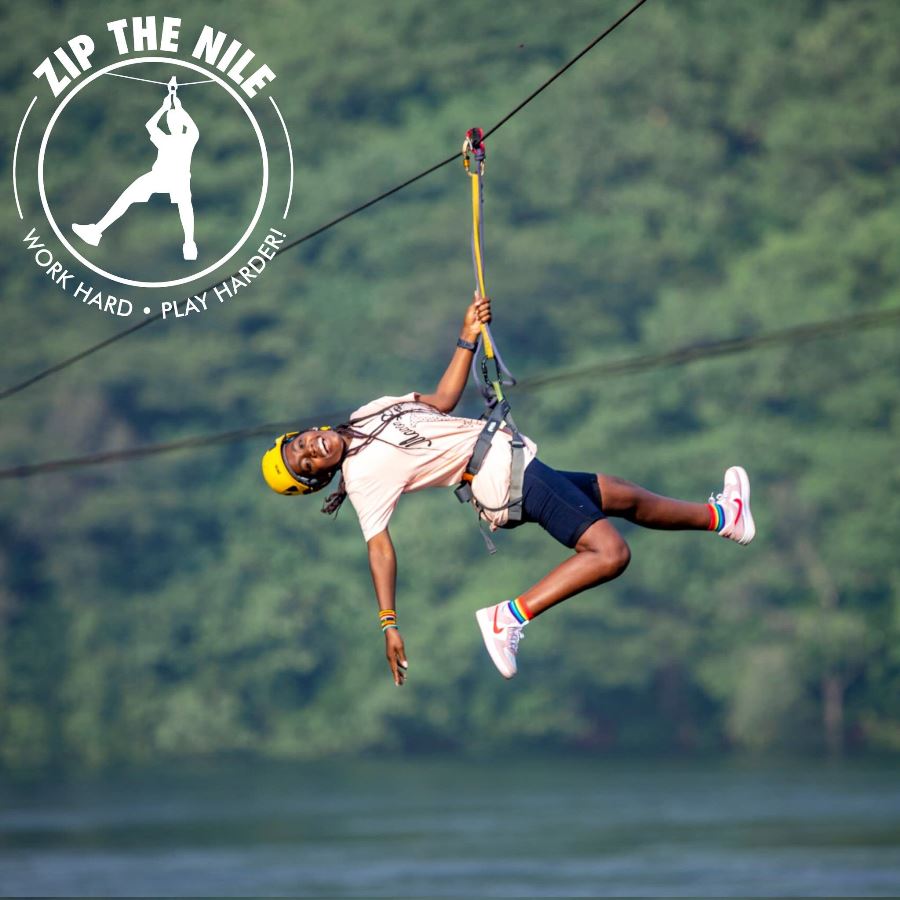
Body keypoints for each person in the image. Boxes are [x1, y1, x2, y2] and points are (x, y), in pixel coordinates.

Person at [261, 294, 754, 684]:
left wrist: (466, 336)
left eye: (301, 444)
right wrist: (388, 623)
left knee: (620, 494)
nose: (311, 450)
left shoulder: (367, 415)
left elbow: (441, 401)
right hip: (500, 474)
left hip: (504, 458)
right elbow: (380, 549)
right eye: (307, 463)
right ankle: (509, 617)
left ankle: (723, 518)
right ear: (320, 479)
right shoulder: (362, 477)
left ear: (307, 430)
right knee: (610, 552)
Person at [72, 90, 200, 261]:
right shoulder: (187, 138)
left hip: (164, 177)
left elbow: (150, 125)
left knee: (131, 199)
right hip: (172, 178)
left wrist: (165, 108)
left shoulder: (170, 139)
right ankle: (189, 244)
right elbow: (190, 126)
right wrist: (178, 108)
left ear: (170, 124)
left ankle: (96, 230)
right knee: (184, 206)